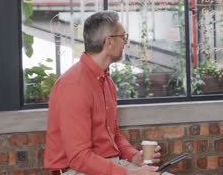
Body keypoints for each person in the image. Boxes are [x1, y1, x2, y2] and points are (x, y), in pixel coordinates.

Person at [44, 10, 161, 175]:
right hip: (76, 171)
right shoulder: (74, 85)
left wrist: (135, 157)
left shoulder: (107, 83)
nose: (125, 42)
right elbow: (79, 158)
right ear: (109, 42)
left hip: (108, 164)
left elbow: (113, 135)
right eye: (123, 37)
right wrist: (129, 173)